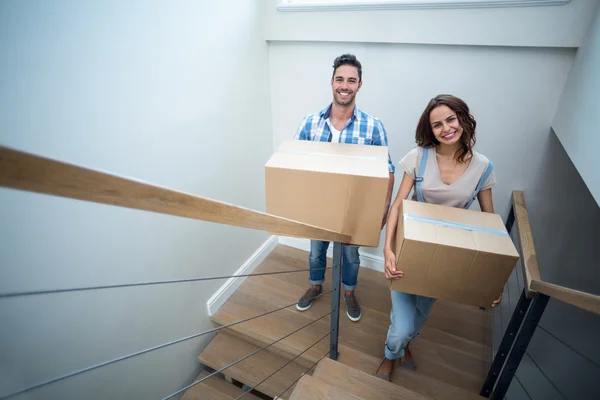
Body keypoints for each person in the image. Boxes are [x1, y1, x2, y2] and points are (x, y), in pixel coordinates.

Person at [374, 94, 503, 381]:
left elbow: (489, 224)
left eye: (450, 120)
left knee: (420, 315)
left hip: (445, 257)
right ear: (429, 130)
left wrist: (494, 279)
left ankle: (403, 346)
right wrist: (388, 249)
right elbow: (397, 205)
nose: (445, 128)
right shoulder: (418, 157)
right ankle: (390, 353)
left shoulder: (483, 168)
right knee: (402, 326)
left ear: (463, 119)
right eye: (436, 124)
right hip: (409, 251)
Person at [293, 54, 396, 322]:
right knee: (317, 251)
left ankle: (349, 292)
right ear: (332, 82)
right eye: (340, 79)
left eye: (351, 80)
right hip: (320, 206)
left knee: (351, 255)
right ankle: (316, 286)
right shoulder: (310, 123)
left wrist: (382, 212)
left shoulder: (373, 126)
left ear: (359, 85)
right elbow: (292, 163)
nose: (345, 85)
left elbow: (388, 171)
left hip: (356, 208)